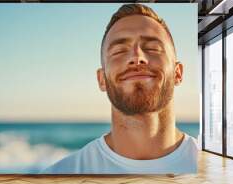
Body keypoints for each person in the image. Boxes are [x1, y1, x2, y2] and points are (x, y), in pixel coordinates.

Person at [42, 3, 198, 174]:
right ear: (102, 80)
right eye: (119, 51)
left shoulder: (211, 167)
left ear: (178, 73)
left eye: (153, 48)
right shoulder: (61, 174)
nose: (137, 57)